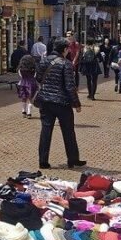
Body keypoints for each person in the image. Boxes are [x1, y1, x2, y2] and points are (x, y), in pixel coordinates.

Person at [35, 38, 86, 170]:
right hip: (62, 102)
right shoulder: (66, 64)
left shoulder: (44, 61)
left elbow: (38, 78)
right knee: (68, 131)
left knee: (46, 131)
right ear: (64, 49)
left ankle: (43, 161)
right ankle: (72, 159)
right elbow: (70, 86)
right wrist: (76, 103)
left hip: (45, 101)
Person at [17, 51, 39, 117]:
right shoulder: (33, 68)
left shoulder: (20, 69)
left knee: (23, 97)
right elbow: (35, 76)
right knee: (30, 98)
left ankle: (23, 111)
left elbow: (20, 75)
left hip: (22, 83)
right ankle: (29, 113)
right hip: (31, 84)